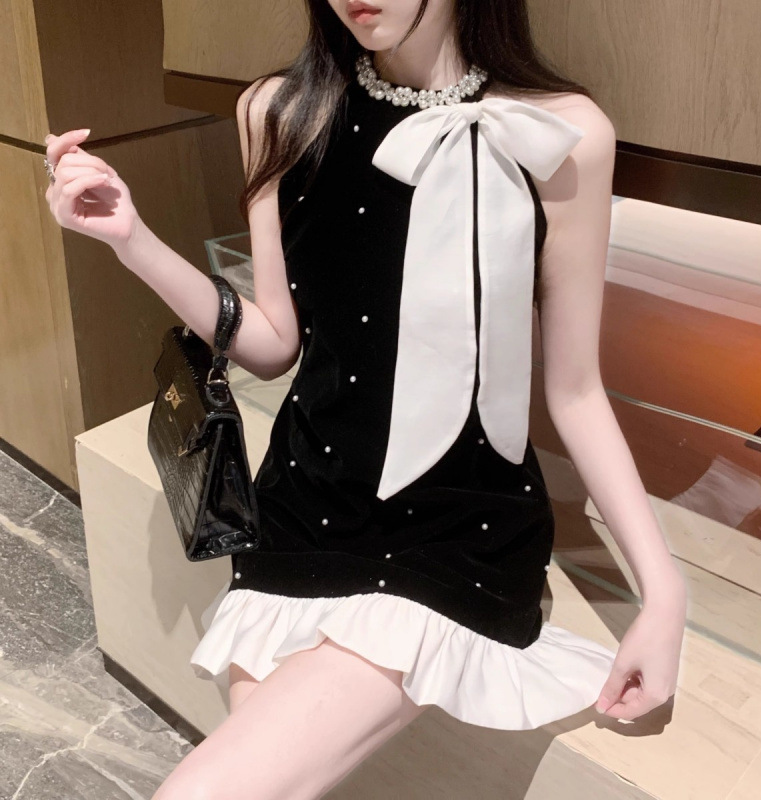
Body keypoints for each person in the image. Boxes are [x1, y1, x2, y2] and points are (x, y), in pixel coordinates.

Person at [44, 0, 687, 796]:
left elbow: (575, 389)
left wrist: (665, 594)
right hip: (304, 501)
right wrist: (131, 238)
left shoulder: (560, 132)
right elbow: (273, 345)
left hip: (458, 529)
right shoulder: (281, 111)